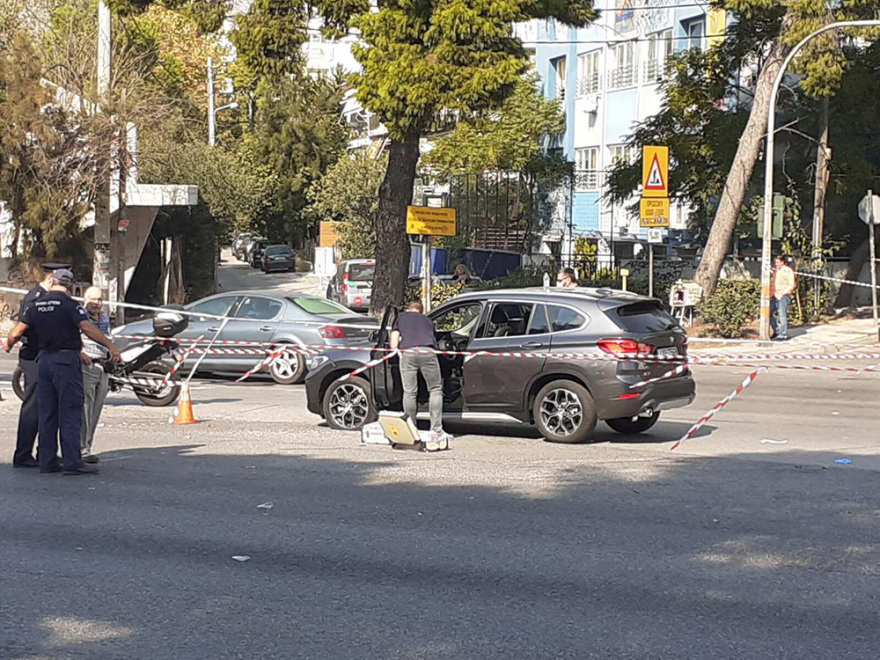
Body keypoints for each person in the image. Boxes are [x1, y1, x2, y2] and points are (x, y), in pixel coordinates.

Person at [5, 270, 121, 475]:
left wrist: (8, 344)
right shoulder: (70, 305)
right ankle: (72, 462)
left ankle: (47, 461)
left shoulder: (36, 305)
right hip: (66, 360)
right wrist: (110, 345)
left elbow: (17, 331)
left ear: (53, 282)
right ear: (70, 286)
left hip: (43, 361)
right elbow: (86, 327)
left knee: (47, 412)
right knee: (69, 411)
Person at [390, 301, 449, 451]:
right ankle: (436, 429)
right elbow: (432, 340)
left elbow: (393, 342)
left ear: (408, 309)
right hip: (428, 353)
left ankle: (411, 428)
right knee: (435, 389)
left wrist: (397, 349)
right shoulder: (428, 320)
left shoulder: (401, 317)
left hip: (408, 353)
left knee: (409, 392)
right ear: (422, 311)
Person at [11, 269, 55, 468]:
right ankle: (23, 454)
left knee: (44, 406)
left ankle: (43, 453)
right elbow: (27, 326)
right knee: (33, 407)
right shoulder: (36, 297)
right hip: (33, 357)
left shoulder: (43, 296)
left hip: (41, 356)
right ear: (51, 279)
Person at [80, 286, 112, 464]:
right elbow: (71, 337)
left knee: (96, 409)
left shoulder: (105, 317)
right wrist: (80, 353)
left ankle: (88, 446)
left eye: (100, 300)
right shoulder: (81, 316)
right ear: (86, 300)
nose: (97, 304)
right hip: (87, 366)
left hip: (103, 366)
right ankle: (81, 449)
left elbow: (107, 338)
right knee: (85, 408)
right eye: (93, 300)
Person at [771, 255, 796, 341]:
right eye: (775, 262)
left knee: (782, 315)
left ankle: (783, 334)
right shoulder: (776, 271)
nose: (776, 264)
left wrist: (782, 293)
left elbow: (791, 285)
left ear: (782, 262)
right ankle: (777, 331)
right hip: (774, 295)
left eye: (777, 262)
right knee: (769, 313)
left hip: (783, 295)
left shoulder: (788, 271)